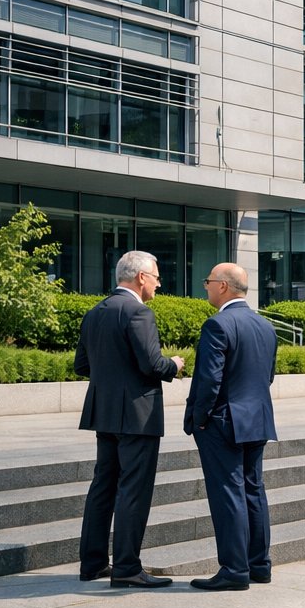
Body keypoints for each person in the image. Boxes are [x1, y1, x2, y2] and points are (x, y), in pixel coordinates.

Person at [74, 250, 185, 588]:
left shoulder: (95, 312)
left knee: (103, 486)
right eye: (156, 277)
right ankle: (126, 567)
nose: (158, 284)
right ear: (141, 277)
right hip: (137, 415)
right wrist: (175, 364)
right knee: (133, 490)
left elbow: (82, 365)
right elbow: (152, 364)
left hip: (104, 413)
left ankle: (93, 563)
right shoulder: (139, 312)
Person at [184, 263, 279, 591]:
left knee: (228, 492)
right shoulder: (265, 326)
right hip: (257, 419)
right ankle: (259, 565)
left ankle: (234, 570)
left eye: (208, 281)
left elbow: (210, 380)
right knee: (254, 490)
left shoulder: (217, 324)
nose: (206, 287)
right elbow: (268, 376)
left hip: (223, 422)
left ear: (223, 286)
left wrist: (199, 419)